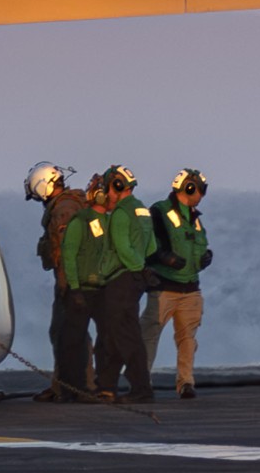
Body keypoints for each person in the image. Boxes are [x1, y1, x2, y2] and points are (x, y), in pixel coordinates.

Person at [142, 169, 214, 399]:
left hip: (190, 289)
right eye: (200, 189)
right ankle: (142, 381)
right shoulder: (159, 212)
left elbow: (196, 246)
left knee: (188, 339)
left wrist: (204, 259)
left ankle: (186, 382)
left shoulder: (194, 217)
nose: (202, 194)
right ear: (189, 188)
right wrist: (164, 258)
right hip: (164, 288)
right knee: (149, 336)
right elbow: (147, 245)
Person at [89, 165, 157, 402]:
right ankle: (106, 385)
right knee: (117, 333)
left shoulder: (120, 214)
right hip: (136, 280)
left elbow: (121, 246)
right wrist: (142, 269)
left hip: (121, 279)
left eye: (108, 187)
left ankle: (141, 388)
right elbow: (152, 247)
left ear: (116, 186)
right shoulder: (143, 211)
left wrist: (134, 267)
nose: (106, 193)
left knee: (125, 336)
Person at [26, 162, 92, 401]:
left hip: (72, 280)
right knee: (64, 332)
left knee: (70, 333)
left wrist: (67, 286)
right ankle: (63, 385)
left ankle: (78, 386)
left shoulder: (63, 210)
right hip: (75, 279)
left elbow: (66, 252)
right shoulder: (69, 204)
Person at [59, 171, 113, 402]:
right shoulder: (79, 222)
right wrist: (74, 288)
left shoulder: (111, 221)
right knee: (72, 342)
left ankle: (102, 386)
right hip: (81, 289)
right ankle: (73, 388)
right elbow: (68, 256)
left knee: (107, 340)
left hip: (103, 289)